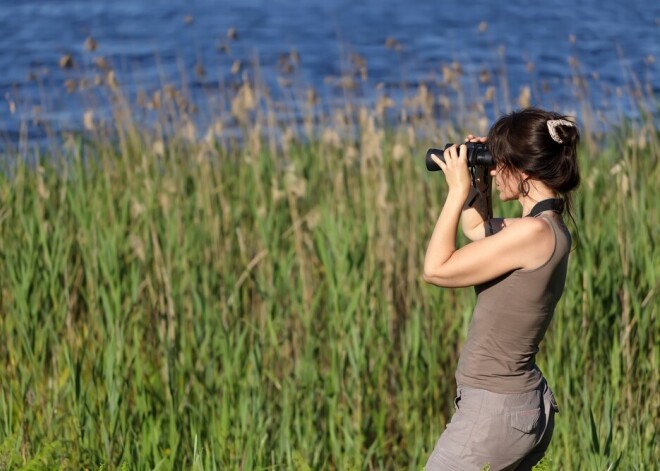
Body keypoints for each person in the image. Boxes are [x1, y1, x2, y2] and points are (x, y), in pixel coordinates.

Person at [423, 108, 581, 470]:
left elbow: (436, 269)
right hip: (515, 405)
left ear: (524, 170)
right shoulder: (547, 227)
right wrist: (479, 182)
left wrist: (457, 190)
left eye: (500, 163)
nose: (495, 169)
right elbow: (478, 232)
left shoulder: (532, 233)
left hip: (495, 410)